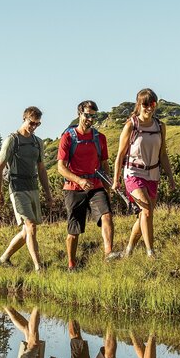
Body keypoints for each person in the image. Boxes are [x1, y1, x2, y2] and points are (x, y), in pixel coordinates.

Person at [56, 100, 122, 270]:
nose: (90, 119)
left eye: (93, 116)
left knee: (106, 216)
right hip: (73, 189)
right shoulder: (68, 137)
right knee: (74, 231)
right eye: (87, 115)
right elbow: (61, 168)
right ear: (79, 114)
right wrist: (79, 180)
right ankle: (71, 264)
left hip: (96, 185)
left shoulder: (100, 138)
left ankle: (109, 254)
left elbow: (104, 165)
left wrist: (108, 189)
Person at [113, 87, 174, 259]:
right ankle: (150, 253)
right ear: (139, 105)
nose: (149, 108)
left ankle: (128, 251)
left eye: (152, 103)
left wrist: (170, 177)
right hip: (133, 173)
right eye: (145, 104)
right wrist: (116, 179)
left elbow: (163, 154)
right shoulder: (131, 125)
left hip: (153, 174)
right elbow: (120, 155)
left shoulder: (160, 126)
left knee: (144, 215)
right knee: (146, 210)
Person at [0, 107, 52, 272]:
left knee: (27, 230)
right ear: (24, 119)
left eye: (37, 124)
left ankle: (4, 259)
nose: (34, 126)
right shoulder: (12, 140)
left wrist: (47, 193)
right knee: (31, 225)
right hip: (17, 188)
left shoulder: (37, 142)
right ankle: (38, 267)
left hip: (33, 187)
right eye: (31, 123)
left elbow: (41, 169)